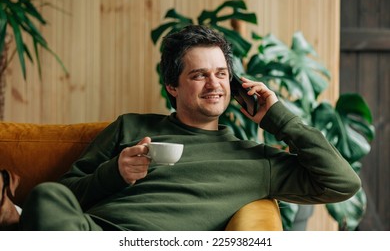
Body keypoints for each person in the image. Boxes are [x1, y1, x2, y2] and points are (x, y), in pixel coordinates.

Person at [19, 25, 361, 231]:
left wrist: (278, 118)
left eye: (221, 73)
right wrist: (116, 172)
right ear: (172, 86)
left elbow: (343, 183)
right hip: (91, 235)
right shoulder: (131, 126)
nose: (214, 84)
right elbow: (65, 194)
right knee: (46, 196)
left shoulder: (257, 161)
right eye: (199, 75)